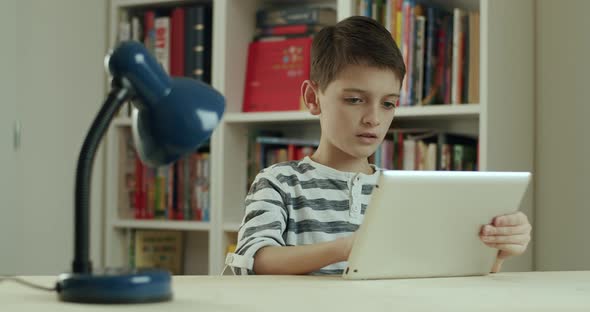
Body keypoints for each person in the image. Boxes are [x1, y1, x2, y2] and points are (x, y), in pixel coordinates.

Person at [225, 16, 532, 275]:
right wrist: (348, 248)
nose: (373, 118)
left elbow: (436, 272)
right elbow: (254, 259)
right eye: (355, 100)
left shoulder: (406, 194)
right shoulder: (279, 182)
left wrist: (496, 252)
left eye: (387, 104)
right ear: (312, 98)